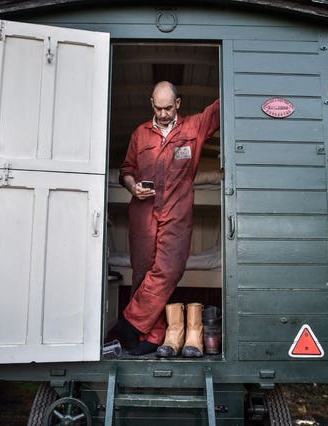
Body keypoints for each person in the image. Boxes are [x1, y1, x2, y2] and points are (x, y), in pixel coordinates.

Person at [109, 81, 220, 355]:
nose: (163, 113)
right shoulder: (140, 134)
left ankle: (129, 323)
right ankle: (153, 336)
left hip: (177, 212)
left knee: (169, 270)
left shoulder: (194, 127)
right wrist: (132, 185)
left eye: (168, 108)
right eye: (158, 108)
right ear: (151, 104)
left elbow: (221, 108)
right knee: (142, 273)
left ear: (178, 104)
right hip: (143, 211)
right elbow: (126, 170)